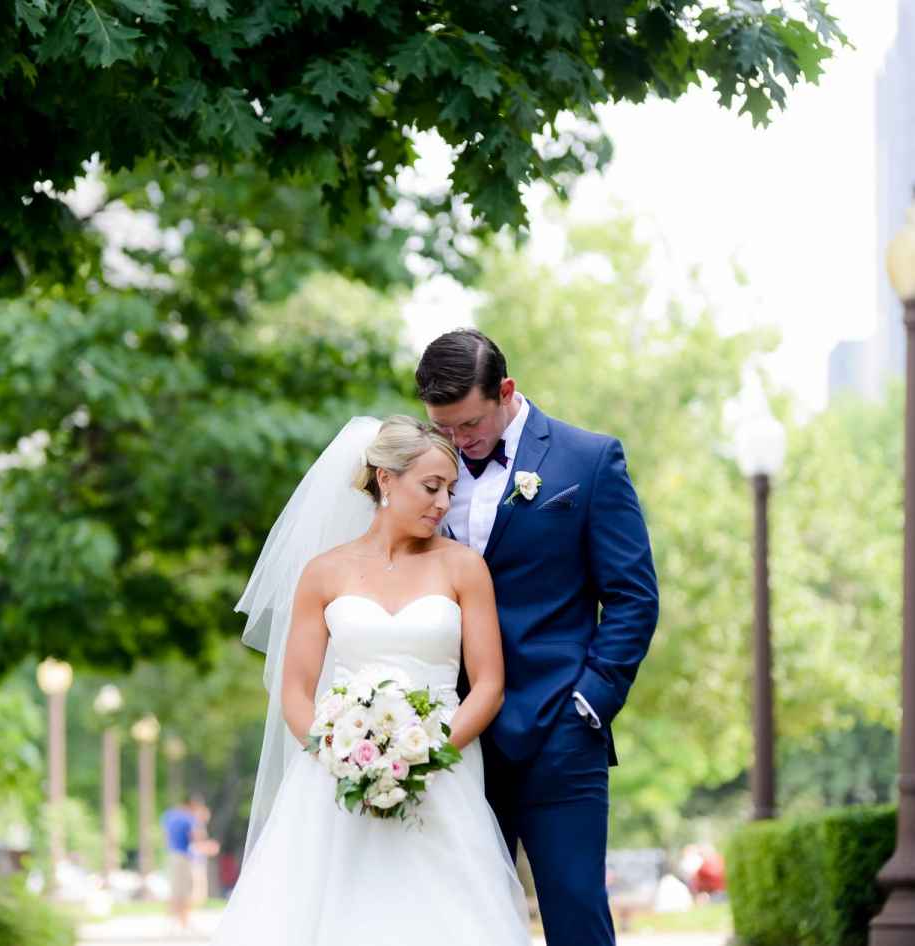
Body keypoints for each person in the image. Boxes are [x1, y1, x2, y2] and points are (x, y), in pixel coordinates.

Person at [212, 415, 529, 946]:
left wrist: (427, 755)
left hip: (443, 769)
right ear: (386, 479)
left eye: (450, 490)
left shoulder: (464, 568)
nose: (443, 503)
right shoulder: (324, 572)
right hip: (337, 772)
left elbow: (489, 685)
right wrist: (336, 753)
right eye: (431, 487)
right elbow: (296, 689)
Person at [416, 329, 659, 946]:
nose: (458, 441)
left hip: (559, 732)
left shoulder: (588, 460)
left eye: (469, 424)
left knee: (576, 916)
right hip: (449, 741)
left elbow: (632, 596)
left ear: (506, 391)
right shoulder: (421, 471)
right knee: (464, 924)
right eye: (443, 427)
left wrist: (590, 702)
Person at [161, 792, 214, 931]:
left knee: (176, 890)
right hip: (184, 858)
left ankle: (173, 922)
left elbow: (166, 836)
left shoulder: (169, 815)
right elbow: (197, 840)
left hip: (172, 855)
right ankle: (184, 922)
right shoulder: (190, 819)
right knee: (186, 892)